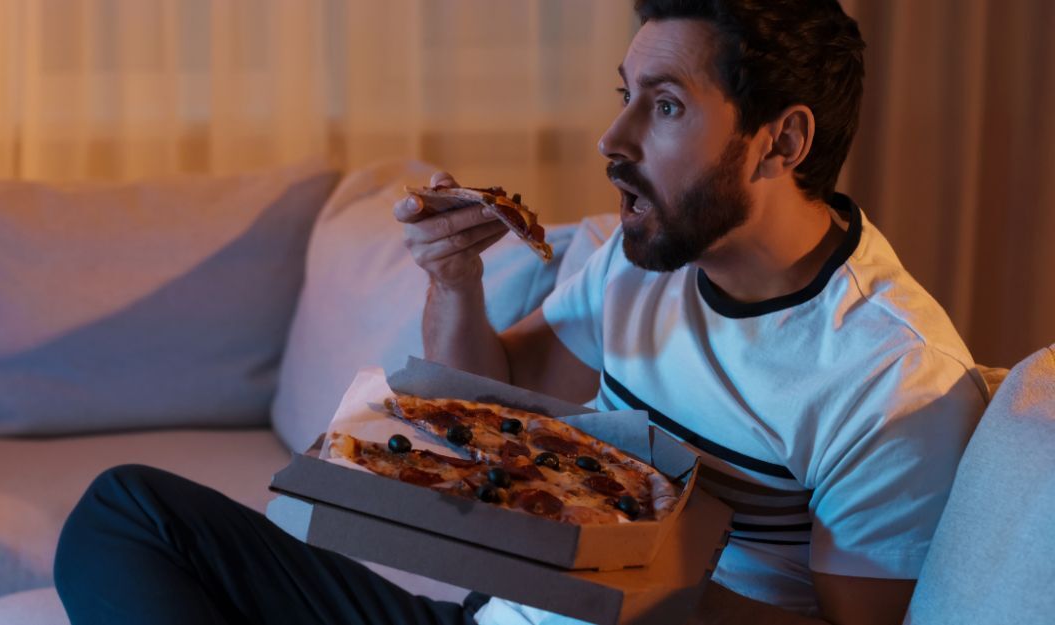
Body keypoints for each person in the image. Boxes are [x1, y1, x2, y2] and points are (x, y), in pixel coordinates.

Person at [53, 1, 988, 624]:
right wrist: (453, 279)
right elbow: (488, 391)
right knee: (125, 513)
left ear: (782, 140)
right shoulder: (642, 254)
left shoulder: (891, 376)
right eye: (624, 97)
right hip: (495, 614)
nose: (609, 139)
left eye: (663, 107)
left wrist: (643, 585)